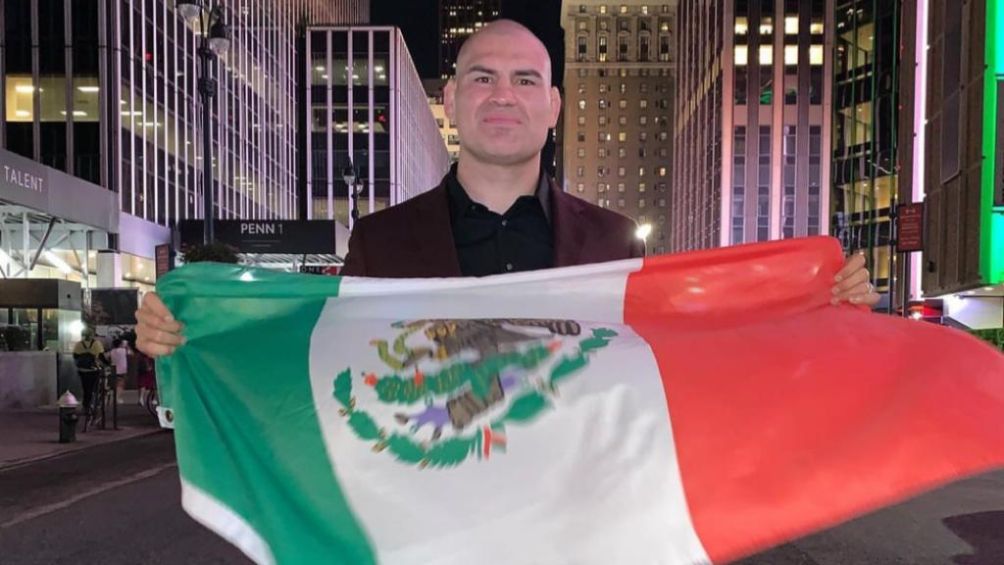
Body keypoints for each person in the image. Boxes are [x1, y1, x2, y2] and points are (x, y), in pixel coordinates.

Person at [135, 20, 879, 357]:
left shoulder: (613, 240)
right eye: (481, 77)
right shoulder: (382, 240)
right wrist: (195, 331)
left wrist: (816, 302)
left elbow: (690, 349)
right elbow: (320, 355)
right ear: (452, 101)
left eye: (526, 79)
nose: (503, 94)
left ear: (554, 108)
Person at [72, 328, 106, 414]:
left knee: (86, 388)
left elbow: (75, 356)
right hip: (94, 370)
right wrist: (107, 364)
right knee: (94, 388)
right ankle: (94, 405)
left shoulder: (79, 344)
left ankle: (86, 406)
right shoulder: (96, 344)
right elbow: (101, 356)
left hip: (82, 370)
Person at [109, 338, 129, 404]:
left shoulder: (112, 351)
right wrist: (126, 345)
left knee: (116, 384)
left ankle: (115, 397)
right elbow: (131, 353)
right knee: (120, 385)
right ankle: (117, 398)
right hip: (122, 370)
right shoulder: (123, 350)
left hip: (114, 369)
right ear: (120, 344)